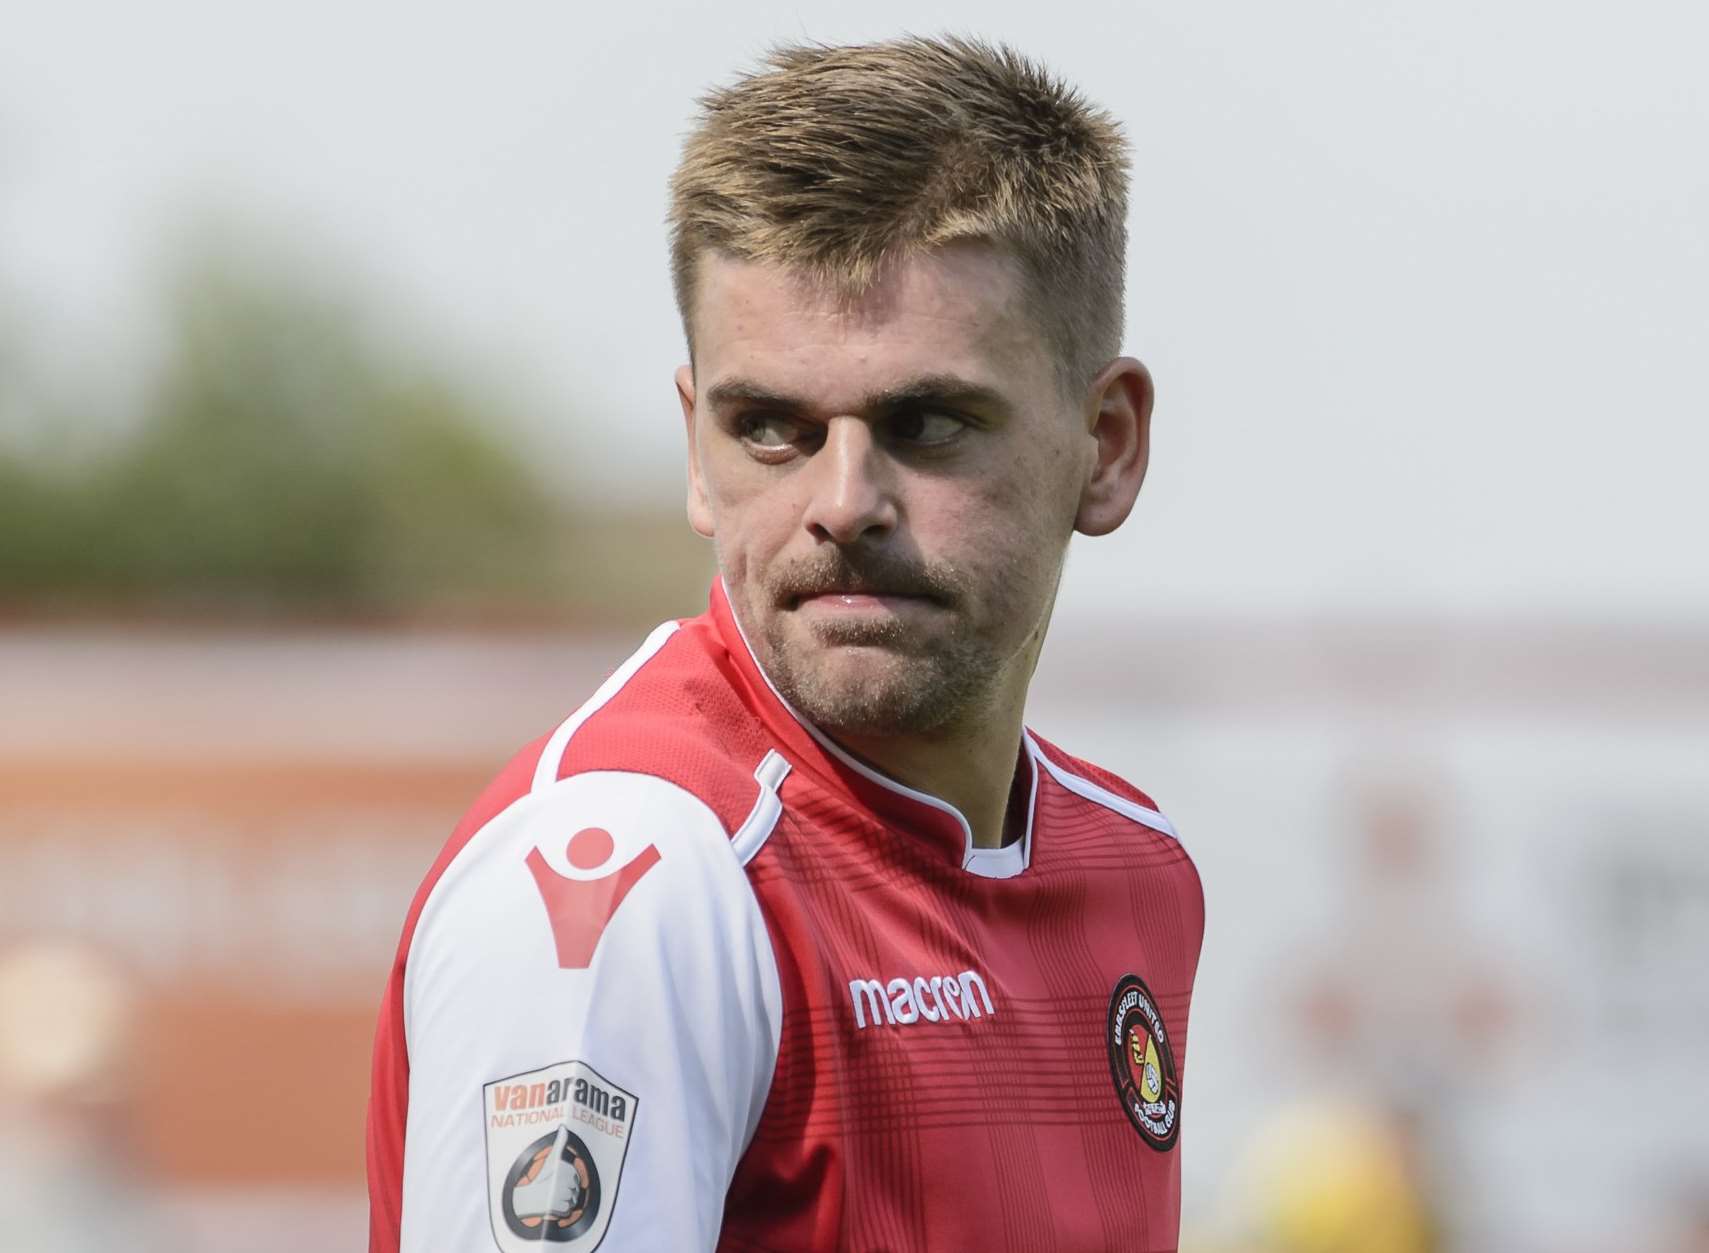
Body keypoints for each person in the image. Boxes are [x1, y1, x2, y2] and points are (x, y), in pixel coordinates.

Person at [367, 35, 1204, 1253]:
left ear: (1108, 443)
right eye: (769, 426)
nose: (841, 500)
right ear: (695, 448)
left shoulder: (1135, 864)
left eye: (925, 420)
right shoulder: (635, 886)